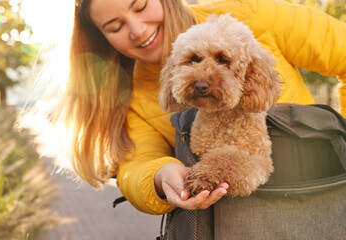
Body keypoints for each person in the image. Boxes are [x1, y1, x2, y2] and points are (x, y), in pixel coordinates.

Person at [28, 0, 346, 216]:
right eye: (114, 26)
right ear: (102, 39)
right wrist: (161, 175)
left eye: (140, 5)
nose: (137, 29)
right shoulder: (129, 94)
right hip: (227, 222)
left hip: (322, 195)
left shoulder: (250, 15)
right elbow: (138, 164)